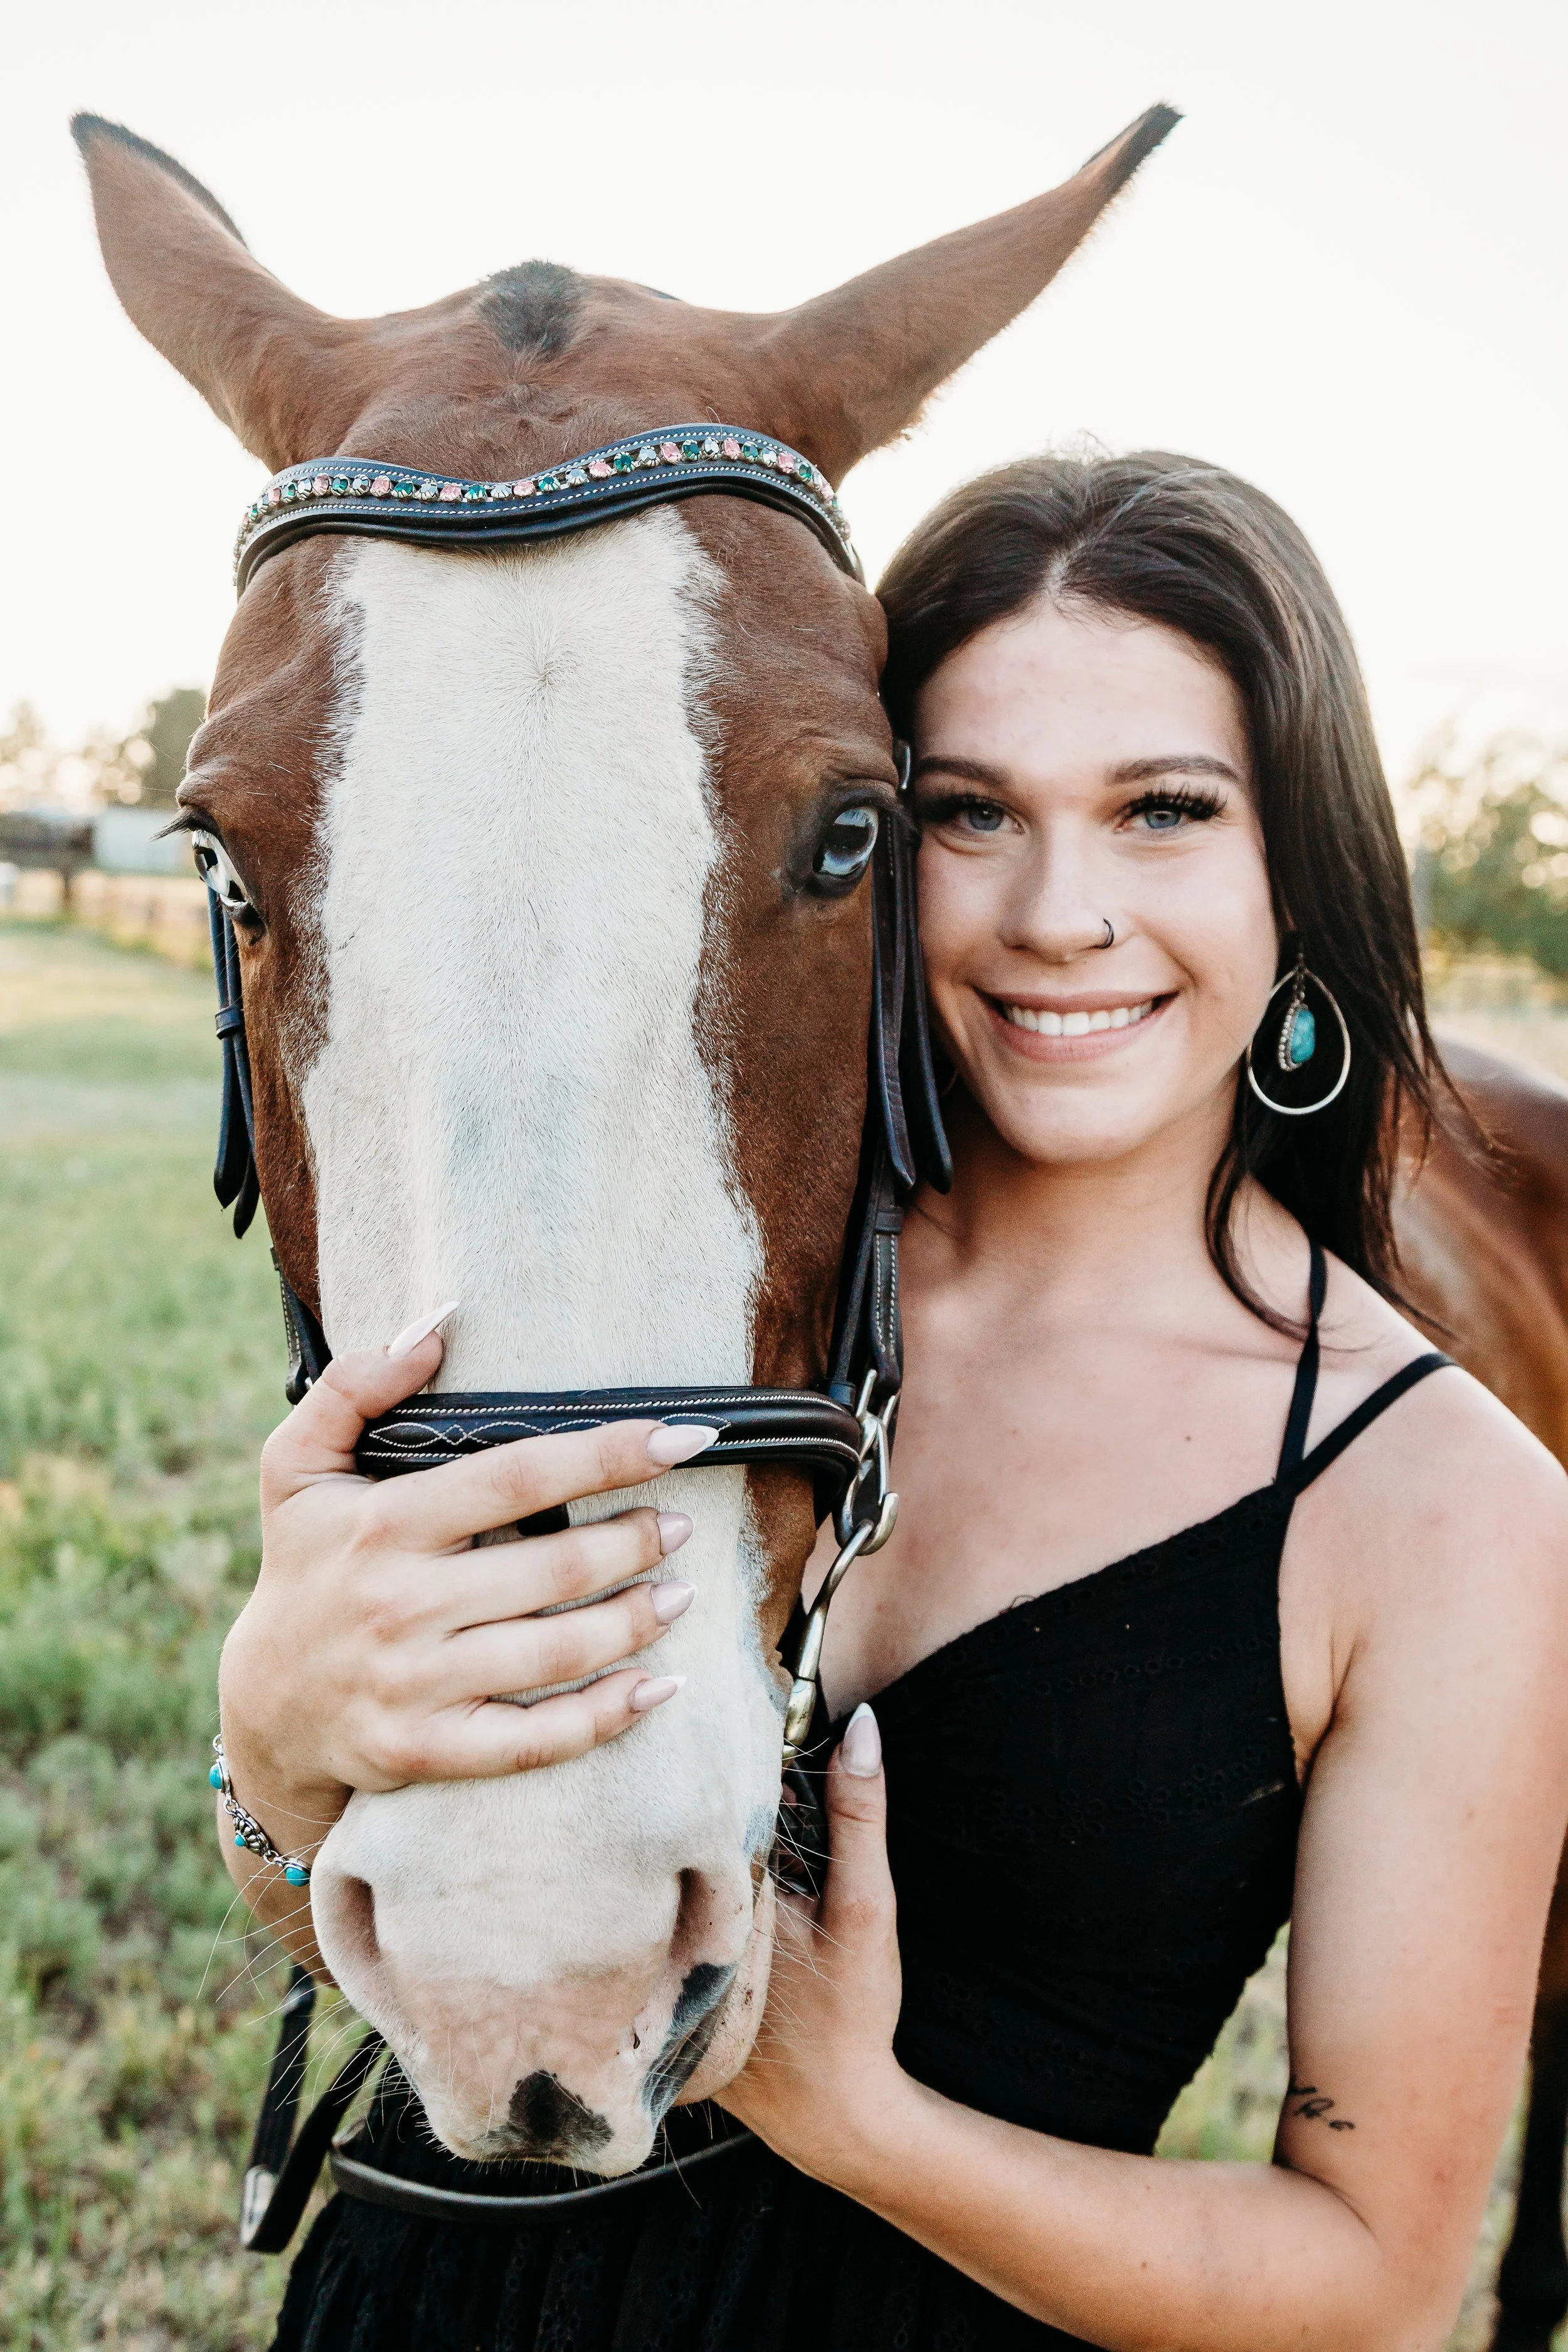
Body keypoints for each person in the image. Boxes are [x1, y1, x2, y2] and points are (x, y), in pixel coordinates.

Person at [226, 453, 1568, 2352]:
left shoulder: (1440, 1503)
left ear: (1303, 862)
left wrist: (859, 2122)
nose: (1056, 911)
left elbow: (1370, 2280)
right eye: (967, 813)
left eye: (1163, 810)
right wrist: (266, 1751)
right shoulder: (680, 1288)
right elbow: (429, 1943)